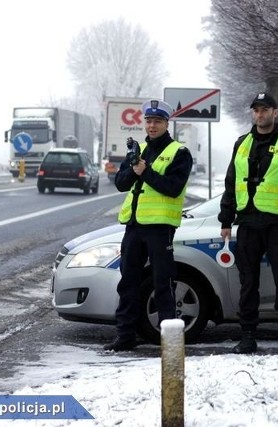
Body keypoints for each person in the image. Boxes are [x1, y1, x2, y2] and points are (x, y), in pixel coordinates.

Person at [218, 92, 278, 355]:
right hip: (248, 224)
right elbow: (231, 184)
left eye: (265, 110)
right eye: (256, 110)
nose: (260, 115)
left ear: (275, 112)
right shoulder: (242, 144)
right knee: (248, 283)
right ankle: (248, 336)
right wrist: (225, 219)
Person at [104, 99, 193, 351]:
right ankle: (125, 336)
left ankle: (169, 342)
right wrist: (134, 169)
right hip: (134, 226)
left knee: (162, 283)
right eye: (148, 121)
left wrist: (146, 171)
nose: (152, 126)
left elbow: (173, 188)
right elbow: (121, 183)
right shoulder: (138, 149)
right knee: (128, 282)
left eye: (157, 121)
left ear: (167, 123)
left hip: (160, 228)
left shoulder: (179, 152)